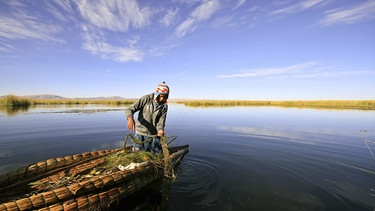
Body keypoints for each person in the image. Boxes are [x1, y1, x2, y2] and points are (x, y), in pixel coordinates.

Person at [125, 82, 170, 153]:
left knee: (156, 154)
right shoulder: (146, 99)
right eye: (161, 96)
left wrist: (160, 130)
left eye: (165, 97)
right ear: (157, 94)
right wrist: (130, 119)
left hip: (154, 135)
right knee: (139, 155)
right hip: (140, 133)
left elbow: (161, 122)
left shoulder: (164, 106)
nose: (162, 99)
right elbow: (130, 109)